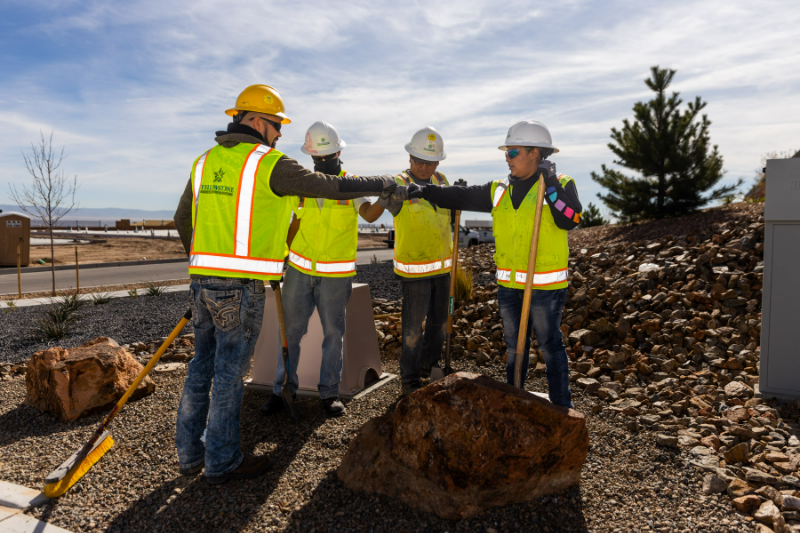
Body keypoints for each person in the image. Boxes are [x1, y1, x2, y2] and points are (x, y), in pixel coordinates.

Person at [172, 85, 396, 484]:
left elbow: (181, 218)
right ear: (256, 121)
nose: (278, 134)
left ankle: (190, 455)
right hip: (239, 287)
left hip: (202, 280)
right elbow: (329, 187)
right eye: (276, 125)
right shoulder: (268, 162)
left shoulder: (203, 161)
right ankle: (222, 461)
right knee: (227, 374)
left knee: (200, 367)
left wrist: (203, 262)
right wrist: (383, 181)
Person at [406, 120, 581, 408]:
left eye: (513, 152)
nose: (506, 157)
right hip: (509, 286)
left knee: (550, 346)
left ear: (535, 153)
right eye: (506, 152)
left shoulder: (560, 184)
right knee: (515, 347)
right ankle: (514, 399)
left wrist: (549, 183)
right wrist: (424, 191)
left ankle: (562, 407)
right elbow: (461, 195)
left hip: (545, 286)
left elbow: (570, 219)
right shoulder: (499, 189)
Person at [260, 121, 387, 418]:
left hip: (336, 275)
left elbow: (368, 215)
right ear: (312, 157)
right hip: (299, 271)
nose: (322, 163)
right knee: (289, 333)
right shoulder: (303, 184)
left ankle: (328, 393)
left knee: (333, 333)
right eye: (318, 159)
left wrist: (384, 198)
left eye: (327, 158)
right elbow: (294, 223)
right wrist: (279, 259)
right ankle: (281, 391)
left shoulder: (352, 183)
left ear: (339, 153)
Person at [381, 127, 453, 397]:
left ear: (438, 162)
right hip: (414, 272)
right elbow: (381, 208)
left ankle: (429, 365)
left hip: (443, 268)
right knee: (413, 328)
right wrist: (389, 194)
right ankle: (410, 378)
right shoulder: (399, 184)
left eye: (431, 161)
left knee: (439, 323)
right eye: (420, 161)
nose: (425, 166)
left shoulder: (442, 179)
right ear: (410, 158)